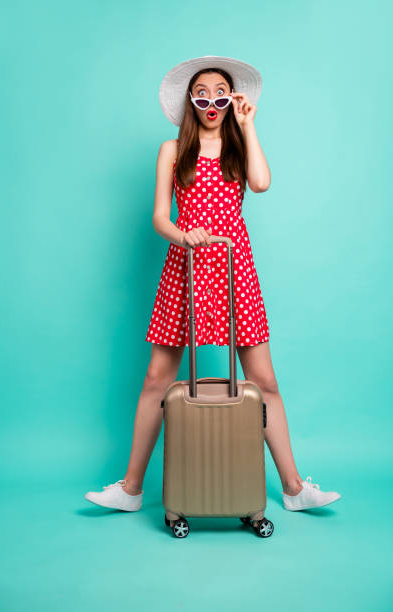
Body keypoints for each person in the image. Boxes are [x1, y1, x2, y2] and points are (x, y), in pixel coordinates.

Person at [85, 55, 341, 513]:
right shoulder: (172, 150)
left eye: (220, 93)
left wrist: (248, 125)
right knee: (156, 379)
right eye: (201, 93)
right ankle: (130, 489)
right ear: (190, 99)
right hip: (184, 268)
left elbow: (261, 184)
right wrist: (184, 235)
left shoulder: (239, 149)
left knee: (263, 381)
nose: (210, 101)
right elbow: (160, 217)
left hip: (233, 267)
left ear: (232, 99)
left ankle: (295, 488)